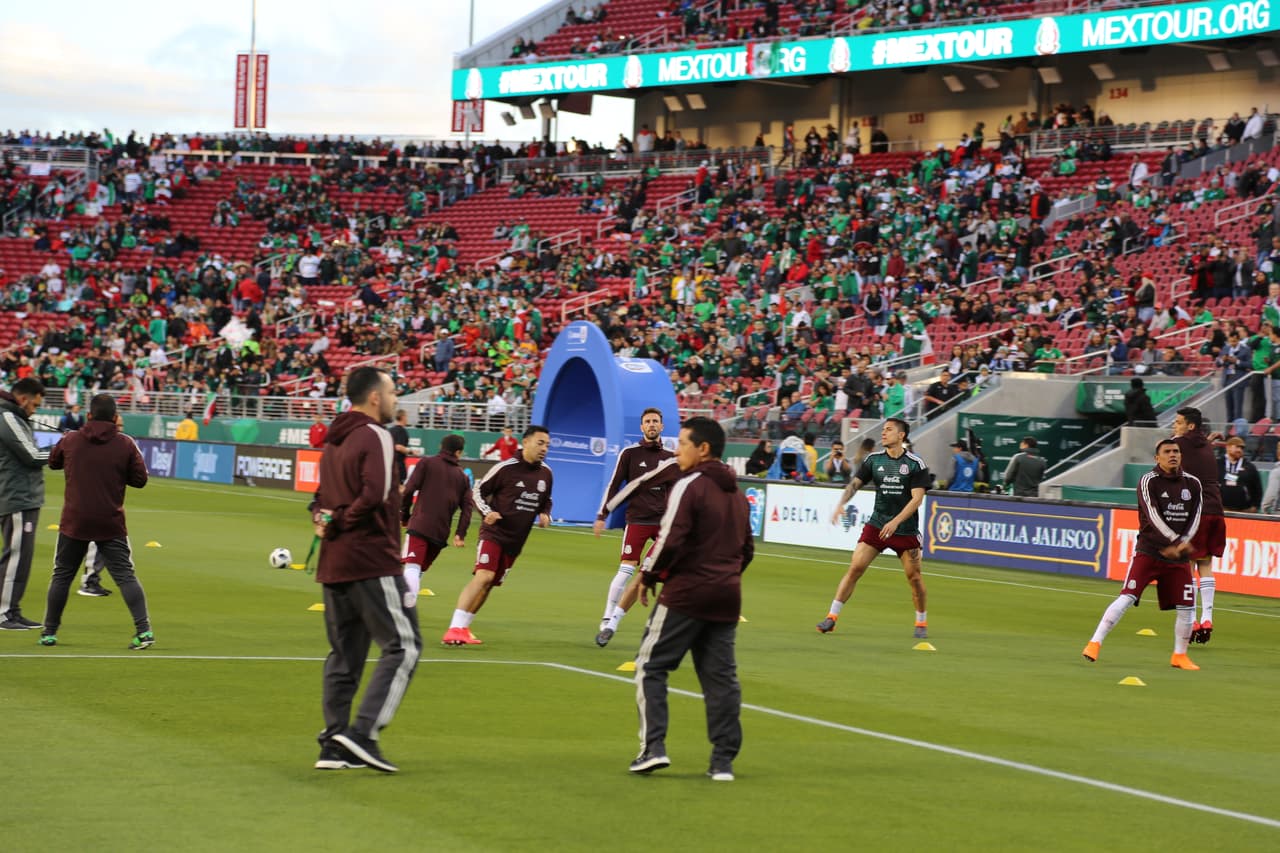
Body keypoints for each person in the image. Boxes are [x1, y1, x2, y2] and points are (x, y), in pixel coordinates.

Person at [311, 366, 421, 773]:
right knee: (404, 645)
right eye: (392, 392)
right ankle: (362, 734)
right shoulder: (377, 435)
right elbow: (374, 495)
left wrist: (325, 519)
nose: (395, 399)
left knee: (345, 655)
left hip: (334, 563)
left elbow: (319, 499)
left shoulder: (333, 440)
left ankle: (333, 745)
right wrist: (341, 519)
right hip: (371, 558)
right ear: (375, 397)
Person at [630, 417, 752, 782]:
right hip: (727, 597)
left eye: (683, 443)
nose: (677, 449)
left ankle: (653, 748)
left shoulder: (689, 486)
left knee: (650, 666)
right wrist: (726, 577)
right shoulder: (739, 494)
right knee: (721, 680)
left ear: (703, 449)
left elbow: (669, 540)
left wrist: (649, 576)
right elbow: (747, 550)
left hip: (686, 594)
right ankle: (722, 762)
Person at [38, 393, 153, 649]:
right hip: (110, 521)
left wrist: (69, 441)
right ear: (114, 418)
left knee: (62, 575)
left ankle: (49, 632)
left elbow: (54, 462)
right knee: (125, 576)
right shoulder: (125, 443)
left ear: (89, 415)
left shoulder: (71, 439)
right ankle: (144, 630)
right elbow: (140, 480)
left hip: (74, 520)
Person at [1082, 439, 1202, 670]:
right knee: (1127, 597)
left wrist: (1183, 543)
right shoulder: (1148, 481)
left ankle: (1180, 655)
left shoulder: (1193, 484)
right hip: (1149, 552)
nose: (1172, 455)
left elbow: (1196, 518)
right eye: (1167, 452)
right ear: (1157, 458)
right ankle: (1094, 642)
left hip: (1177, 558)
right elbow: (1152, 515)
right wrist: (1176, 541)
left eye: (1176, 451)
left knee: (1187, 606)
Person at [817, 418, 930, 639]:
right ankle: (831, 617)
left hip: (905, 529)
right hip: (877, 525)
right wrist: (841, 504)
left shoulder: (916, 464)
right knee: (855, 567)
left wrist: (896, 521)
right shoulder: (873, 460)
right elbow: (855, 485)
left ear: (901, 436)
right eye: (883, 430)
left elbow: (917, 499)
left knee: (914, 577)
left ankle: (921, 620)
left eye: (889, 430)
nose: (884, 433)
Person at [442, 424, 553, 646]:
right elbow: (477, 491)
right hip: (494, 533)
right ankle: (453, 627)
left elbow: (546, 499)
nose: (544, 448)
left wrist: (545, 513)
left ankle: (464, 627)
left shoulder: (547, 473)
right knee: (484, 576)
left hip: (516, 540)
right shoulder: (505, 468)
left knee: (490, 584)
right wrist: (487, 512)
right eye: (540, 443)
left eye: (547, 445)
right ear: (525, 442)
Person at [592, 408, 675, 647]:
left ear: (661, 426)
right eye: (647, 421)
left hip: (663, 525)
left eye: (655, 421)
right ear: (641, 427)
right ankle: (608, 617)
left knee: (656, 573)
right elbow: (614, 484)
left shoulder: (671, 458)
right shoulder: (629, 454)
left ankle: (665, 624)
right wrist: (602, 513)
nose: (651, 425)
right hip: (637, 520)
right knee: (626, 569)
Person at [0, 378, 50, 630]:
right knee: (16, 556)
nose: (35, 410)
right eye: (35, 404)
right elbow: (32, 455)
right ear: (22, 399)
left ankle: (12, 609)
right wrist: (62, 450)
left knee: (21, 557)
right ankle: (4, 612)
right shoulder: (9, 418)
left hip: (24, 495)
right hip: (17, 496)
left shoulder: (15, 417)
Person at [1171, 407, 1224, 643]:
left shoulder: (1178, 444)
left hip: (1197, 511)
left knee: (1189, 564)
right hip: (1216, 509)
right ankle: (1208, 616)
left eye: (1179, 422)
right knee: (1206, 563)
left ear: (1190, 426)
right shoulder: (1205, 444)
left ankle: (1192, 619)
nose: (1175, 425)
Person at [400, 434, 472, 606]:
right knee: (419, 570)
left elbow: (409, 490)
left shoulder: (427, 463)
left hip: (420, 524)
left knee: (412, 566)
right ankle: (405, 604)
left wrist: (404, 515)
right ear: (458, 453)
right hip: (440, 533)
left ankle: (405, 608)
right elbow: (468, 508)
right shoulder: (462, 477)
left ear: (441, 446)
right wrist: (460, 534)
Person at [1219, 436, 1262, 512]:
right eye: (1237, 447)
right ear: (1228, 447)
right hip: (1221, 509)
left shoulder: (1250, 467)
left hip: (1243, 510)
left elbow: (1257, 489)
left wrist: (1255, 506)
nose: (1240, 450)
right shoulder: (1217, 464)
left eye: (1242, 448)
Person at [387, 409, 416, 485]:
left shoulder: (390, 430)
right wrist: (411, 451)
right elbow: (399, 447)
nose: (407, 419)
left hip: (389, 465)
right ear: (403, 417)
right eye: (406, 416)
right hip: (399, 467)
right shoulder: (402, 431)